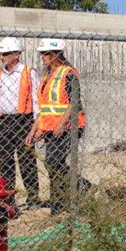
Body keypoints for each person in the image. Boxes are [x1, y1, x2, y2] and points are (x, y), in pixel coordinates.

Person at [25, 39, 86, 216]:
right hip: (51, 128)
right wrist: (34, 130)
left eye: (46, 53)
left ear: (56, 54)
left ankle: (80, 189)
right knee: (52, 165)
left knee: (54, 162)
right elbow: (45, 108)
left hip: (69, 127)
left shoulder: (68, 73)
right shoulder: (47, 77)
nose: (43, 57)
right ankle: (59, 203)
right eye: (42, 54)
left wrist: (61, 124)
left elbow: (75, 102)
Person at [0, 38, 40, 208]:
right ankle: (8, 199)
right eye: (1, 54)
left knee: (26, 159)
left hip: (23, 121)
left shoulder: (28, 72)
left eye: (5, 54)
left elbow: (36, 99)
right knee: (5, 161)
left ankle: (33, 198)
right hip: (3, 121)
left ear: (16, 54)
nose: (2, 57)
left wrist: (36, 125)